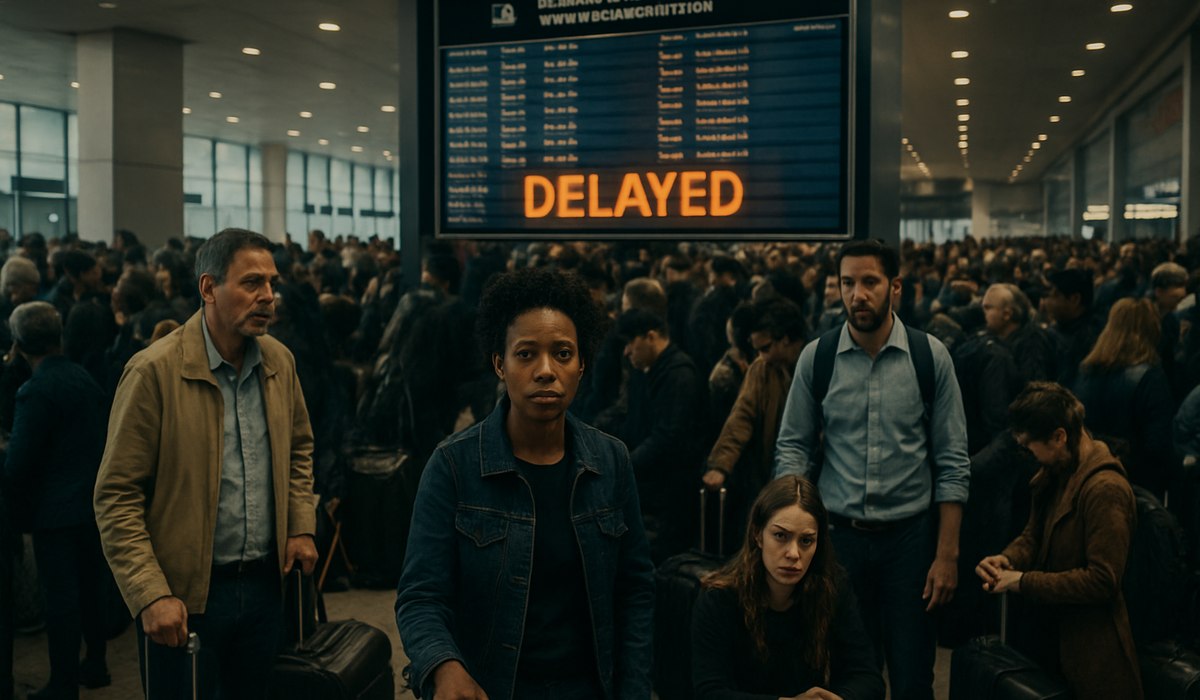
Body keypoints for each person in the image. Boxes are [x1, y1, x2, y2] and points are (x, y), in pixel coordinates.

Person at [395, 267, 655, 700]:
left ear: (582, 364)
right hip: (492, 686)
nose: (546, 371)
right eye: (526, 354)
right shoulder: (454, 465)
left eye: (563, 354)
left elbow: (635, 591)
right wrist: (444, 666)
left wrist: (634, 689)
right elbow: (421, 595)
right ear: (500, 363)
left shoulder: (610, 461)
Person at [94, 228, 318, 699]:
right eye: (252, 283)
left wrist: (300, 525)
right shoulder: (154, 372)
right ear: (209, 288)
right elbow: (116, 496)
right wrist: (149, 592)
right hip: (185, 597)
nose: (268, 297)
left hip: (264, 586)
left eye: (272, 283)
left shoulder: (278, 361)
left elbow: (299, 448)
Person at [774, 240, 970, 700]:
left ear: (894, 287)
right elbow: (793, 448)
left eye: (869, 282)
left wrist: (947, 556)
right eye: (847, 283)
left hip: (910, 539)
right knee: (842, 674)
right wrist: (789, 532)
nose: (857, 295)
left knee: (912, 675)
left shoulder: (929, 356)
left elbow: (953, 463)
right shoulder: (817, 358)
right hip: (838, 537)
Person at [976, 382, 1142, 700]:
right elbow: (1034, 536)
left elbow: (1102, 580)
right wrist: (1008, 559)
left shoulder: (1105, 489)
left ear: (1059, 436)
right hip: (1052, 639)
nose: (1029, 455)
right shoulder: (1056, 471)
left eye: (1030, 446)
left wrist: (1022, 581)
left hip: (1093, 655)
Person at [691, 475, 884, 700]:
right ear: (758, 535)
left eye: (806, 541)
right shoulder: (720, 597)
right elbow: (710, 693)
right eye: (780, 536)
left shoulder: (831, 587)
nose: (793, 554)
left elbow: (868, 678)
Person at [2, 302, 110, 699]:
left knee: (61, 601)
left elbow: (18, 464)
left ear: (18, 343)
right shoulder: (82, 377)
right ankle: (95, 663)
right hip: (93, 503)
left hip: (55, 511)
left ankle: (62, 684)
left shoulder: (34, 391)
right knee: (91, 590)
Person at [704, 296, 807, 545]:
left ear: (786, 339)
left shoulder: (820, 365)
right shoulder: (762, 370)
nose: (761, 355)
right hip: (771, 475)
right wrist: (721, 464)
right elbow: (742, 415)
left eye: (766, 348)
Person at [615, 307, 707, 562]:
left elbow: (669, 437)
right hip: (652, 485)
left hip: (670, 494)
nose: (627, 351)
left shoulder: (679, 375)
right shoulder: (648, 370)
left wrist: (626, 465)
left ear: (651, 337)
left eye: (631, 342)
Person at [1071, 297, 1174, 497]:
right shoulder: (1150, 378)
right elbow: (1158, 445)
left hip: (1087, 478)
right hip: (1135, 484)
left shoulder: (1085, 371)